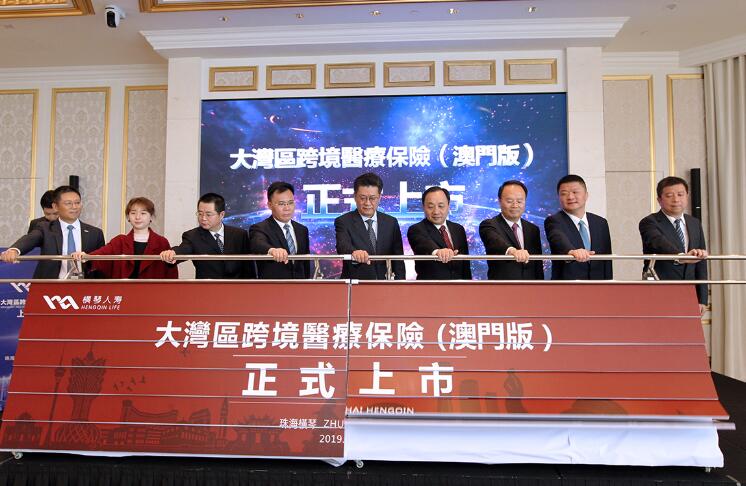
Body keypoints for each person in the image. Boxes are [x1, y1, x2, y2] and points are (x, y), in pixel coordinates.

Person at [1, 185, 105, 278]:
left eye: (77, 203)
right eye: (68, 203)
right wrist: (14, 250)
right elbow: (30, 239)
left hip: (85, 288)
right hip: (51, 287)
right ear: (55, 206)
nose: (74, 207)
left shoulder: (95, 233)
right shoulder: (45, 228)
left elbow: (101, 265)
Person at [639, 176, 708, 313]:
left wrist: (702, 299)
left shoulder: (694, 223)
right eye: (669, 195)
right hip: (659, 289)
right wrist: (681, 256)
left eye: (680, 194)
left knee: (688, 327)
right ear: (659, 200)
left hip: (690, 291)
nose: (676, 200)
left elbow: (701, 264)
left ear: (687, 196)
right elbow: (658, 242)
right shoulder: (649, 222)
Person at [71, 197, 177, 279]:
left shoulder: (161, 242)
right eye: (133, 213)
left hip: (152, 293)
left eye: (143, 213)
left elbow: (170, 272)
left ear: (151, 217)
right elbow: (101, 255)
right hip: (123, 292)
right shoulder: (120, 241)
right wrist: (86, 256)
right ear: (128, 217)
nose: (138, 217)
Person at [160, 193, 254, 279]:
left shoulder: (239, 234)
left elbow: (248, 267)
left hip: (236, 288)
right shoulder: (192, 236)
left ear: (221, 215)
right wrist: (172, 253)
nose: (203, 218)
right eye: (200, 214)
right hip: (207, 288)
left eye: (208, 214)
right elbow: (184, 249)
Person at [335, 172, 405, 280]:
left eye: (372, 198)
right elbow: (342, 246)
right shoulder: (344, 221)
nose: (367, 203)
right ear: (355, 196)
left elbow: (398, 259)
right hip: (355, 283)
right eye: (362, 198)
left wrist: (400, 284)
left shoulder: (391, 222)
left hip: (384, 283)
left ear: (379, 197)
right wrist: (354, 252)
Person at [544, 174, 612, 280]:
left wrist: (609, 284)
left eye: (575, 192)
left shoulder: (600, 223)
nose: (570, 197)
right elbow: (557, 238)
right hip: (568, 285)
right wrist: (571, 251)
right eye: (564, 194)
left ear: (586, 195)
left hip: (598, 285)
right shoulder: (554, 221)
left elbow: (607, 260)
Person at [479, 180, 544, 280]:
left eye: (519, 201)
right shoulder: (489, 225)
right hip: (503, 286)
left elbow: (537, 266)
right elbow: (495, 241)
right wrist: (513, 251)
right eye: (509, 201)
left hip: (530, 286)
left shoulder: (533, 229)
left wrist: (540, 285)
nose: (515, 205)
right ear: (499, 201)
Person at [249, 181, 311, 279]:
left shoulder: (302, 230)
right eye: (281, 204)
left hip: (299, 286)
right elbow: (258, 243)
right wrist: (272, 250)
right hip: (274, 286)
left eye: (290, 203)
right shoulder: (260, 228)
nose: (287, 208)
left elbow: (305, 264)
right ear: (270, 205)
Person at [407, 186, 471, 280]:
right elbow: (423, 244)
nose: (436, 211)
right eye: (430, 207)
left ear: (448, 206)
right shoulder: (416, 229)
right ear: (423, 207)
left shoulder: (458, 229)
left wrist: (468, 285)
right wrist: (438, 252)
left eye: (441, 206)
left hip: (459, 286)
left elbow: (465, 265)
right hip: (432, 286)